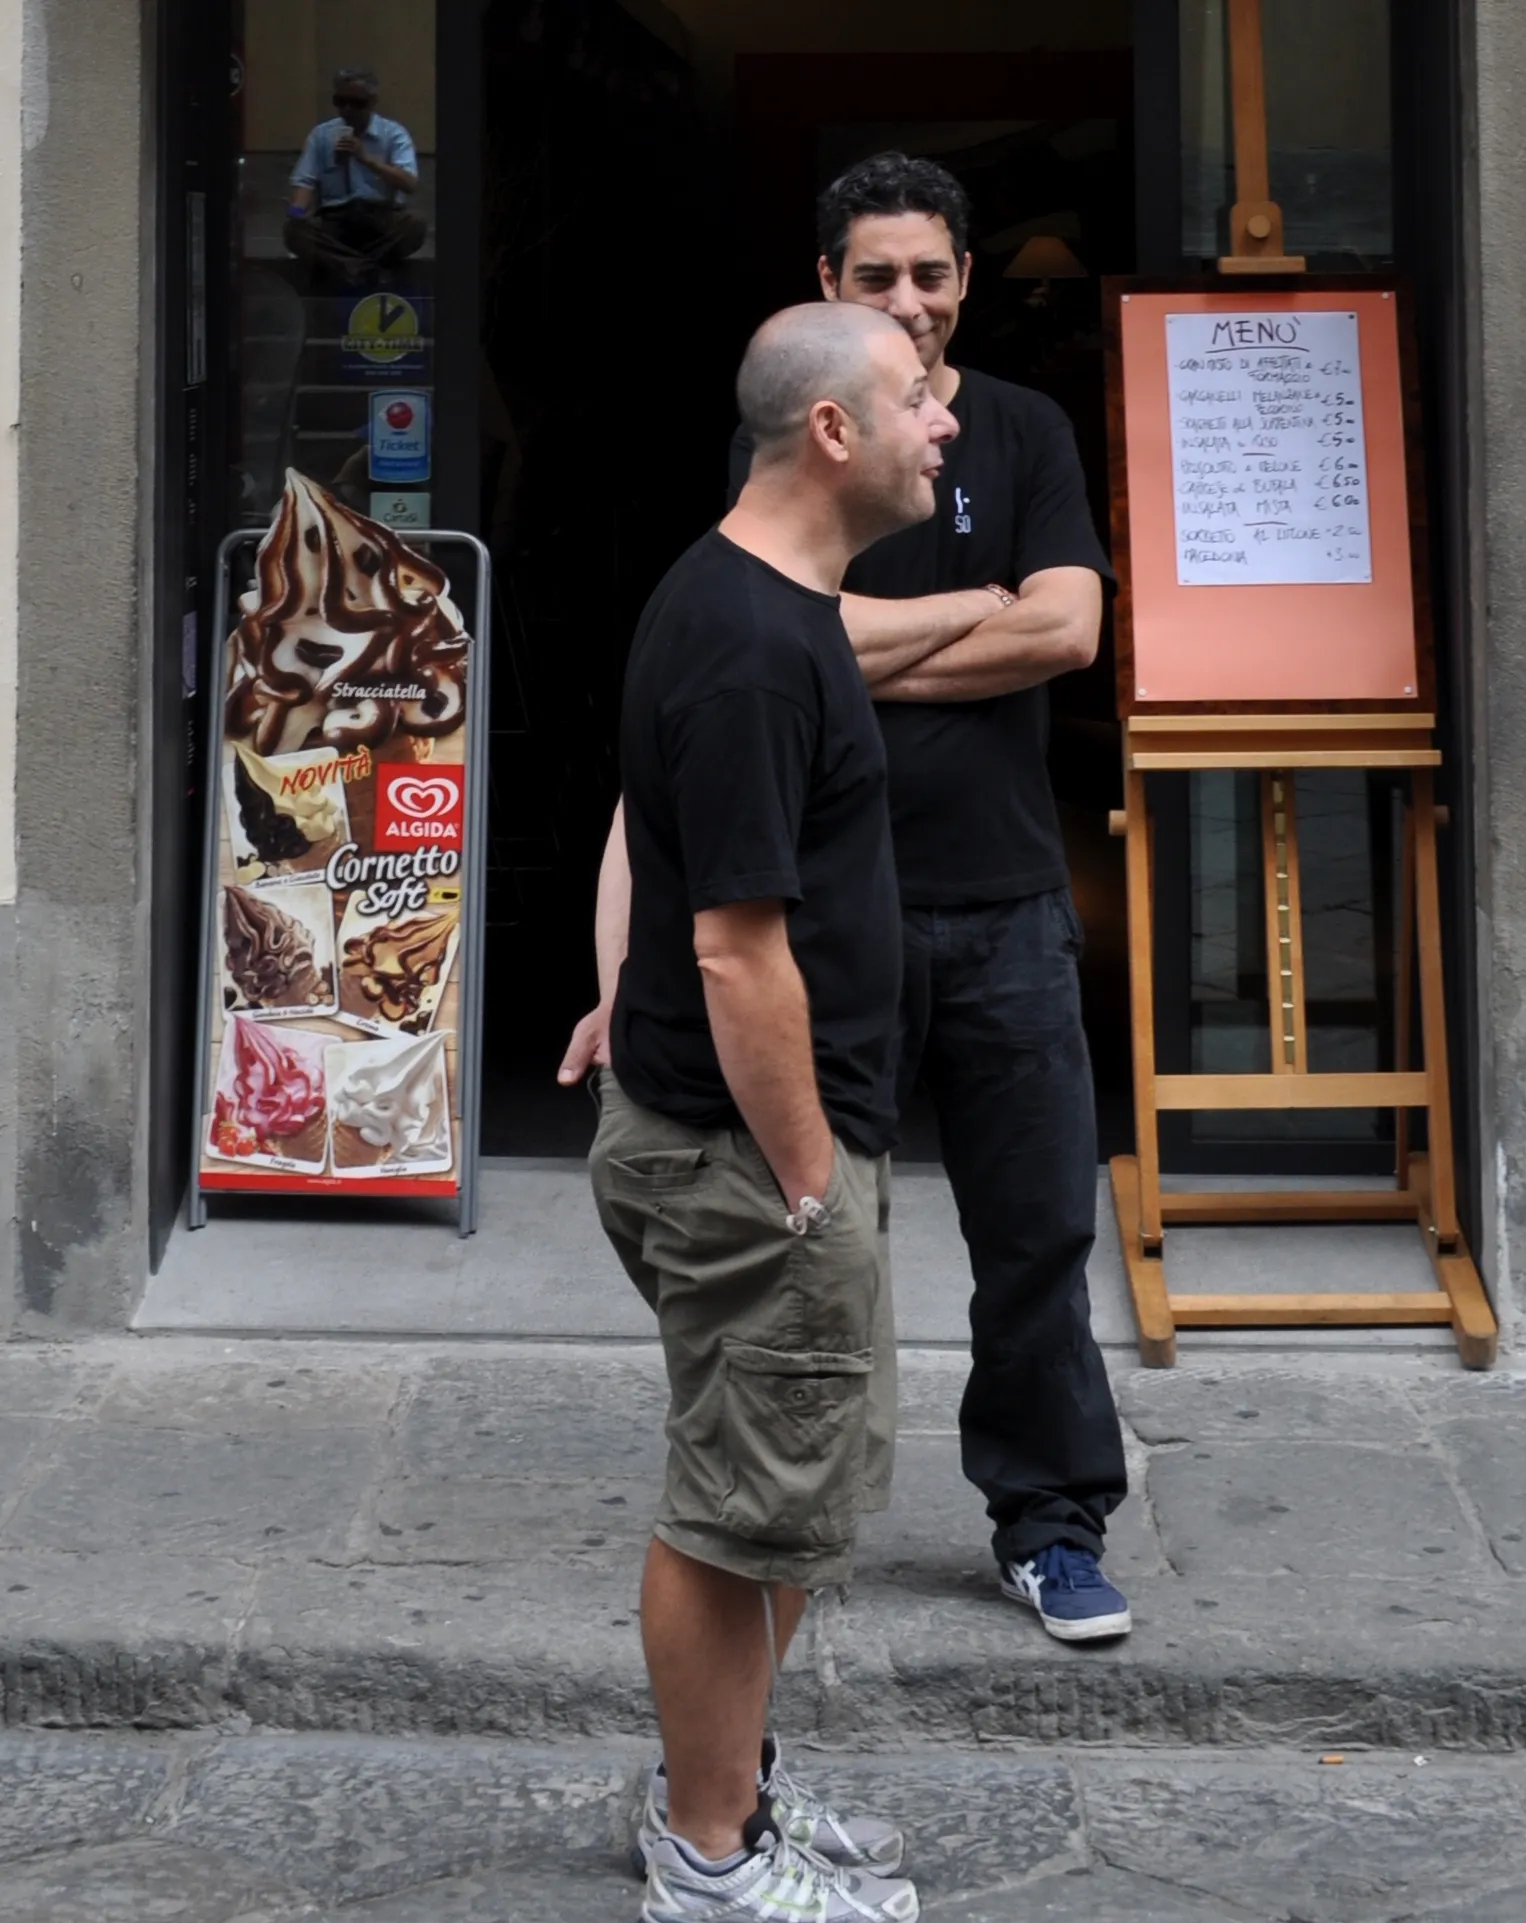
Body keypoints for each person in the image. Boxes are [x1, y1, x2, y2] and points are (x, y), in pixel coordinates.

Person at [563, 151, 1132, 1649]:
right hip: (822, 923)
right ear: (827, 286)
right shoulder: (799, 433)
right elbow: (772, 628)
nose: (909, 301)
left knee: (1036, 1235)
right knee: (810, 1241)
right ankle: (768, 1528)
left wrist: (862, 647)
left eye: (931, 273)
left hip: (1004, 903)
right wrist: (965, 610)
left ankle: (1050, 1520)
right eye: (875, 275)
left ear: (965, 279)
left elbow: (1068, 630)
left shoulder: (1017, 430)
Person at [591, 301, 955, 1922]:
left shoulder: (772, 604)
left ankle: (725, 1785)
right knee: (737, 1512)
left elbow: (659, 846)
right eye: (914, 397)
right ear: (831, 430)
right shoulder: (747, 642)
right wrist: (808, 1177)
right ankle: (705, 1852)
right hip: (752, 1163)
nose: (943, 419)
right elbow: (736, 948)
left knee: (783, 1499)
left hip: (769, 1152)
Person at [283, 69, 425, 286]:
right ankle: (366, 271)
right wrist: (296, 212)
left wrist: (366, 160)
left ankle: (346, 267)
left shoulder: (393, 134)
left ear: (372, 102)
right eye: (341, 102)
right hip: (335, 217)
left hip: (380, 216)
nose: (347, 110)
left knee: (415, 225)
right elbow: (305, 181)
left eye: (357, 103)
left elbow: (409, 183)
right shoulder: (321, 134)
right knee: (295, 232)